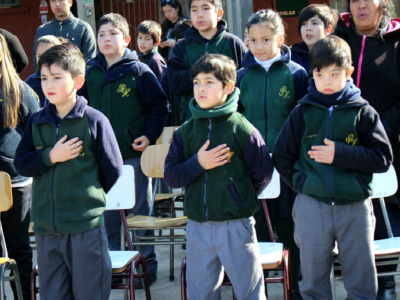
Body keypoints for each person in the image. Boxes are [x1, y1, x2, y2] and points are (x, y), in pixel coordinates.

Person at [273, 35, 393, 300]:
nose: (326, 82)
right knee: (314, 280)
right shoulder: (302, 111)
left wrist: (340, 154)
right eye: (320, 74)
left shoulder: (363, 111)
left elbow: (382, 158)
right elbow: (282, 156)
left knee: (361, 279)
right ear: (311, 74)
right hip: (312, 206)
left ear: (349, 73)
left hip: (354, 207)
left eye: (335, 74)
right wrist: (303, 184)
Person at [14, 43, 123, 300]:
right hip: (46, 229)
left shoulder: (95, 121)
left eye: (57, 77)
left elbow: (113, 169)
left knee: (90, 293)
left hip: (85, 229)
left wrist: (85, 197)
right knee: (53, 295)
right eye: (44, 78)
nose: (48, 84)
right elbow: (22, 163)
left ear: (78, 80)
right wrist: (50, 156)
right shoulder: (36, 120)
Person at [164, 53, 274, 300]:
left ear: (229, 87)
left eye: (209, 82)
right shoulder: (185, 131)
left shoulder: (242, 128)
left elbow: (263, 173)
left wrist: (236, 196)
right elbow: (171, 176)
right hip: (197, 227)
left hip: (236, 225)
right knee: (201, 293)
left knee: (250, 292)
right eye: (197, 82)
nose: (201, 88)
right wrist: (198, 164)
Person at [83, 13, 168, 289]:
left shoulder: (139, 71)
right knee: (107, 215)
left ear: (127, 40)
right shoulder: (89, 72)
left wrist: (148, 134)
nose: (106, 39)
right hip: (100, 159)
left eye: (112, 34)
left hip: (132, 155)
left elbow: (159, 106)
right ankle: (113, 267)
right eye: (102, 35)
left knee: (139, 213)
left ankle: (146, 265)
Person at [236, 9, 308, 298]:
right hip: (254, 167)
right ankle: (262, 287)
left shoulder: (297, 73)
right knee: (261, 228)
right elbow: (237, 120)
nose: (260, 46)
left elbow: (304, 119)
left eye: (266, 39)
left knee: (290, 227)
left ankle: (295, 288)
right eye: (253, 40)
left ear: (280, 38)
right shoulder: (241, 77)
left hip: (288, 165)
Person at [335, 1, 400, 298]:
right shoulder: (336, 36)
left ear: (383, 4)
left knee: (387, 213)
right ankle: (358, 287)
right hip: (343, 144)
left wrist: (383, 124)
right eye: (355, 0)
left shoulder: (397, 42)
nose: (361, 5)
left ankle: (385, 284)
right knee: (350, 215)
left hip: (388, 142)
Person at [0, 33, 38, 300]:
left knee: (18, 248)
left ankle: (25, 296)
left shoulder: (19, 88)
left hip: (14, 180)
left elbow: (38, 131)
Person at [167, 0, 247, 124]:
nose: (199, 14)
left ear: (219, 13)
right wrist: (202, 74)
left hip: (229, 122)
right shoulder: (181, 47)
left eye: (205, 9)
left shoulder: (233, 44)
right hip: (192, 122)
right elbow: (174, 83)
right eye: (194, 10)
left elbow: (245, 82)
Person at [32, 0, 96, 71]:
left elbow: (90, 60)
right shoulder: (42, 30)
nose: (57, 4)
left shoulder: (83, 28)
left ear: (70, 2)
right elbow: (37, 62)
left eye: (61, 0)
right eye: (53, 1)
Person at [291, 4, 338, 74]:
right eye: (304, 24)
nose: (308, 28)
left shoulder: (336, 54)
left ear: (328, 29)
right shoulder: (291, 56)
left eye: (314, 23)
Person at [25, 35, 66, 107]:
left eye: (48, 55)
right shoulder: (30, 82)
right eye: (40, 56)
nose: (43, 60)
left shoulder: (68, 80)